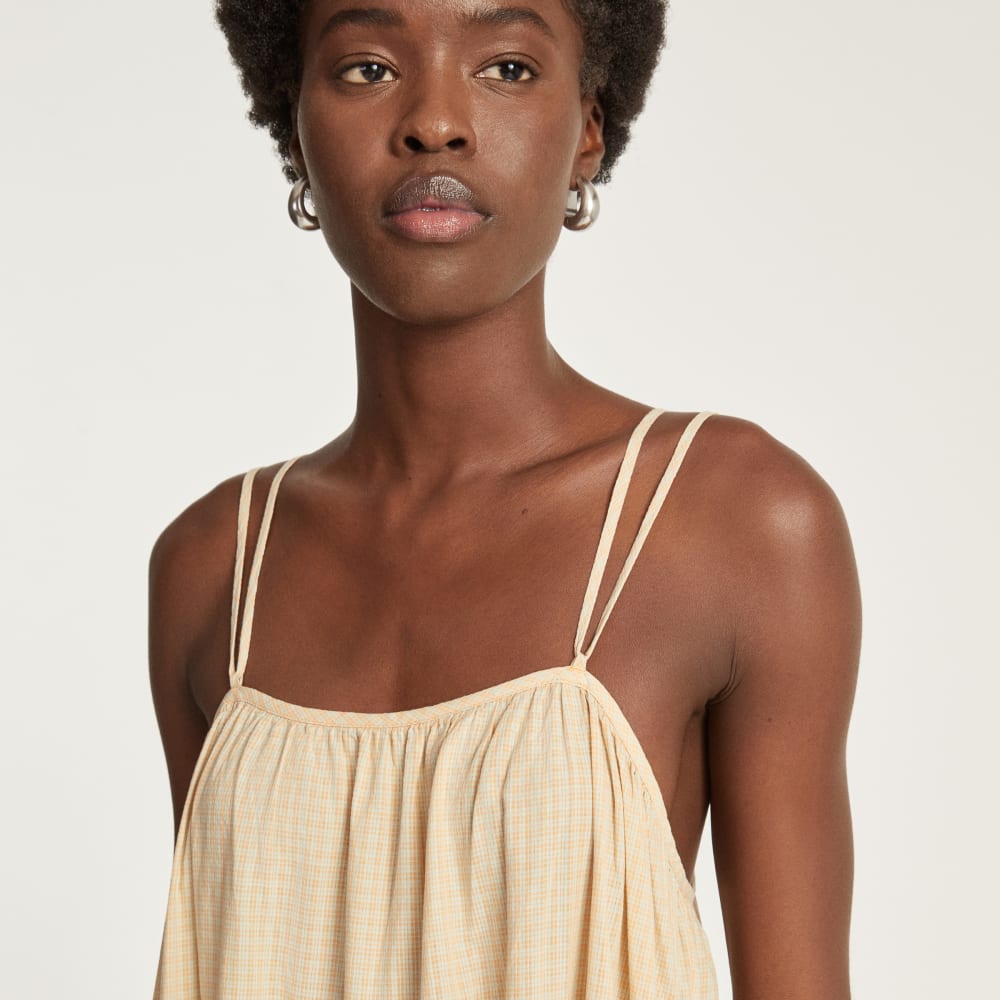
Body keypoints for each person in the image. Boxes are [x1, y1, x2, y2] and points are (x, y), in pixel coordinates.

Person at [149, 1, 862, 997]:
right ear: (293, 123)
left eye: (508, 68)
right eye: (366, 68)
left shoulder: (735, 521)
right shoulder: (217, 564)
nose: (434, 121)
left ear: (588, 130)